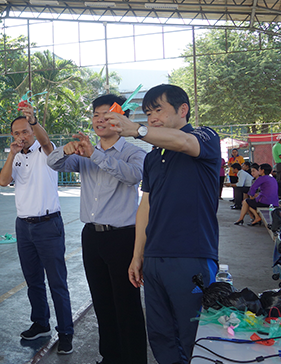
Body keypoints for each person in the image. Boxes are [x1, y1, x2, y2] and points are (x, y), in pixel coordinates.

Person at [107, 84, 220, 364]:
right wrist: (137, 256)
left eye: (158, 110)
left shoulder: (204, 136)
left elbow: (184, 143)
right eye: (147, 113)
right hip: (155, 258)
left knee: (193, 336)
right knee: (161, 335)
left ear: (183, 110)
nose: (152, 117)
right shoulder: (152, 158)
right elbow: (145, 206)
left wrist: (137, 130)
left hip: (190, 255)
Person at [47, 94, 147, 364]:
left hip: (123, 237)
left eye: (106, 115)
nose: (100, 120)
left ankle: (134, 359)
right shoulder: (84, 153)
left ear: (121, 118)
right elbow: (53, 163)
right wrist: (65, 150)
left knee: (127, 305)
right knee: (102, 303)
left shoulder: (133, 151)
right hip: (92, 236)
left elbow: (133, 175)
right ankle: (110, 357)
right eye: (95, 116)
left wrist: (97, 155)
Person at [0, 103, 74, 355]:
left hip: (48, 225)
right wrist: (11, 154)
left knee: (57, 282)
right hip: (24, 227)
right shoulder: (16, 157)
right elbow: (3, 180)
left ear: (33, 131)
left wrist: (35, 122)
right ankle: (41, 323)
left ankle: (66, 333)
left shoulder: (45, 152)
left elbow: (46, 140)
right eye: (17, 133)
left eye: (25, 131)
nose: (22, 136)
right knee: (33, 281)